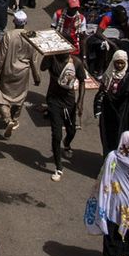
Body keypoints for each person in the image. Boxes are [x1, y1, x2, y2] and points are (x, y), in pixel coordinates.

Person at [0, 10, 41, 138]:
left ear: (14, 22)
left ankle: (7, 120)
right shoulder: (31, 36)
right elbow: (34, 60)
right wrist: (36, 76)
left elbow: (1, 57)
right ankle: (15, 118)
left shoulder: (8, 35)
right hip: (23, 74)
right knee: (20, 97)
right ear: (25, 22)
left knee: (2, 97)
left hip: (8, 71)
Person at [93, 49, 129, 155]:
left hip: (127, 113)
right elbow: (102, 90)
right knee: (111, 137)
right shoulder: (109, 74)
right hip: (110, 112)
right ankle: (111, 161)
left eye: (122, 63)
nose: (119, 65)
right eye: (117, 63)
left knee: (126, 138)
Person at [45, 51, 87, 181]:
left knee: (71, 130)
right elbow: (42, 67)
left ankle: (67, 143)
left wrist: (80, 101)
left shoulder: (76, 63)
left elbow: (82, 81)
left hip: (68, 102)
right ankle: (58, 167)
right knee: (56, 134)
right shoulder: (52, 59)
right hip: (53, 100)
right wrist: (48, 56)